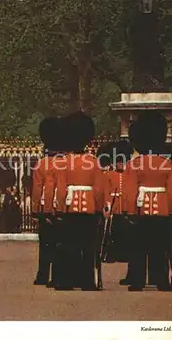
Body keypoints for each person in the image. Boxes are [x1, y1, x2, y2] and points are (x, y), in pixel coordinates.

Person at [123, 112, 172, 291]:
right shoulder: (166, 164)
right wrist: (169, 210)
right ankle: (160, 280)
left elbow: (130, 192)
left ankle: (138, 281)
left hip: (140, 209)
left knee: (138, 246)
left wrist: (130, 211)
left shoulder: (134, 164)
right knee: (159, 246)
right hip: (161, 209)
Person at [54, 112, 104, 291]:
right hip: (89, 207)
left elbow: (60, 189)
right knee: (88, 245)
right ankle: (87, 281)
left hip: (69, 207)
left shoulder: (64, 162)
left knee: (68, 245)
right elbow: (98, 190)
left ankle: (66, 280)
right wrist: (99, 210)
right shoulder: (93, 162)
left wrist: (59, 209)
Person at [31, 117, 64, 286]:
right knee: (60, 243)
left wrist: (36, 210)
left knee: (45, 245)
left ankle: (42, 275)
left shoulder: (41, 164)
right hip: (62, 208)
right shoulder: (66, 163)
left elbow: (37, 190)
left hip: (45, 208)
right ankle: (57, 277)